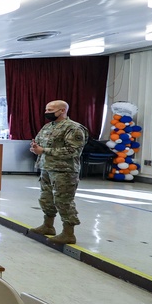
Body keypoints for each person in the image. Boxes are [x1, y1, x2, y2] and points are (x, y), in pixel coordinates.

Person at [29, 99, 87, 245]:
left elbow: (73, 150)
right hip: (47, 168)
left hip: (64, 171)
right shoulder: (48, 127)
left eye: (50, 110)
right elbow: (39, 142)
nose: (46, 113)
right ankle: (48, 226)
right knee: (46, 199)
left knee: (63, 201)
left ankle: (68, 233)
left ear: (62, 110)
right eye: (46, 110)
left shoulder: (73, 128)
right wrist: (36, 148)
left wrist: (44, 150)